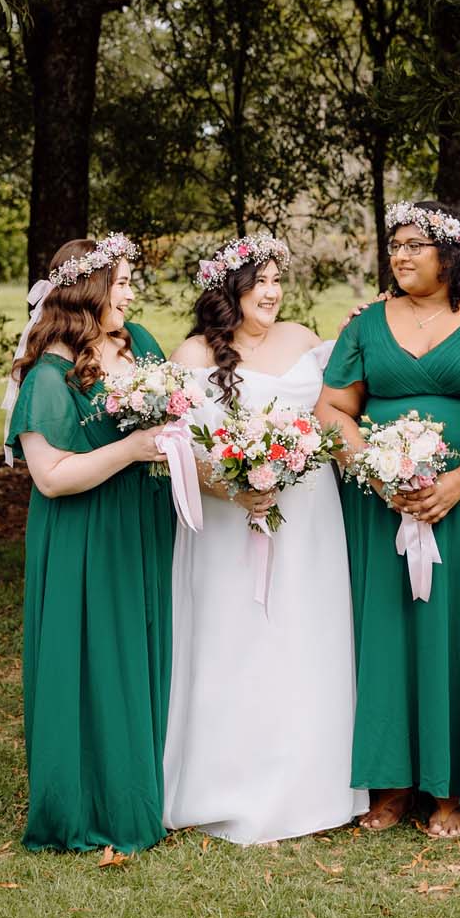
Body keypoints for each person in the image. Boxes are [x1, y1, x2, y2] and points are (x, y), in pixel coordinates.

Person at [316, 201, 460, 840]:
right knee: (383, 636)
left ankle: (454, 789)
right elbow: (333, 406)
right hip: (378, 505)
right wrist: (375, 471)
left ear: (452, 254)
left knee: (451, 635)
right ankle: (389, 784)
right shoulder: (366, 324)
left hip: (458, 508)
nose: (402, 256)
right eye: (395, 246)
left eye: (416, 244)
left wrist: (458, 483)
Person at [162, 233, 367, 845]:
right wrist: (234, 489)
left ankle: (315, 787)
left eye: (278, 280)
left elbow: (343, 399)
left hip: (309, 517)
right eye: (259, 283)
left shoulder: (306, 338)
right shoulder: (196, 355)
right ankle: (227, 787)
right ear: (230, 291)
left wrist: (364, 324)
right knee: (236, 638)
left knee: (307, 633)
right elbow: (179, 448)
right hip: (229, 523)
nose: (272, 293)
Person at [4, 234, 175, 854]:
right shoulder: (48, 376)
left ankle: (140, 789)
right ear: (91, 290)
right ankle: (87, 806)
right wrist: (131, 448)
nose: (133, 293)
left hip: (141, 522)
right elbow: (51, 478)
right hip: (84, 533)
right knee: (93, 658)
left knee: (137, 652)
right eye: (124, 282)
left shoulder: (142, 345)